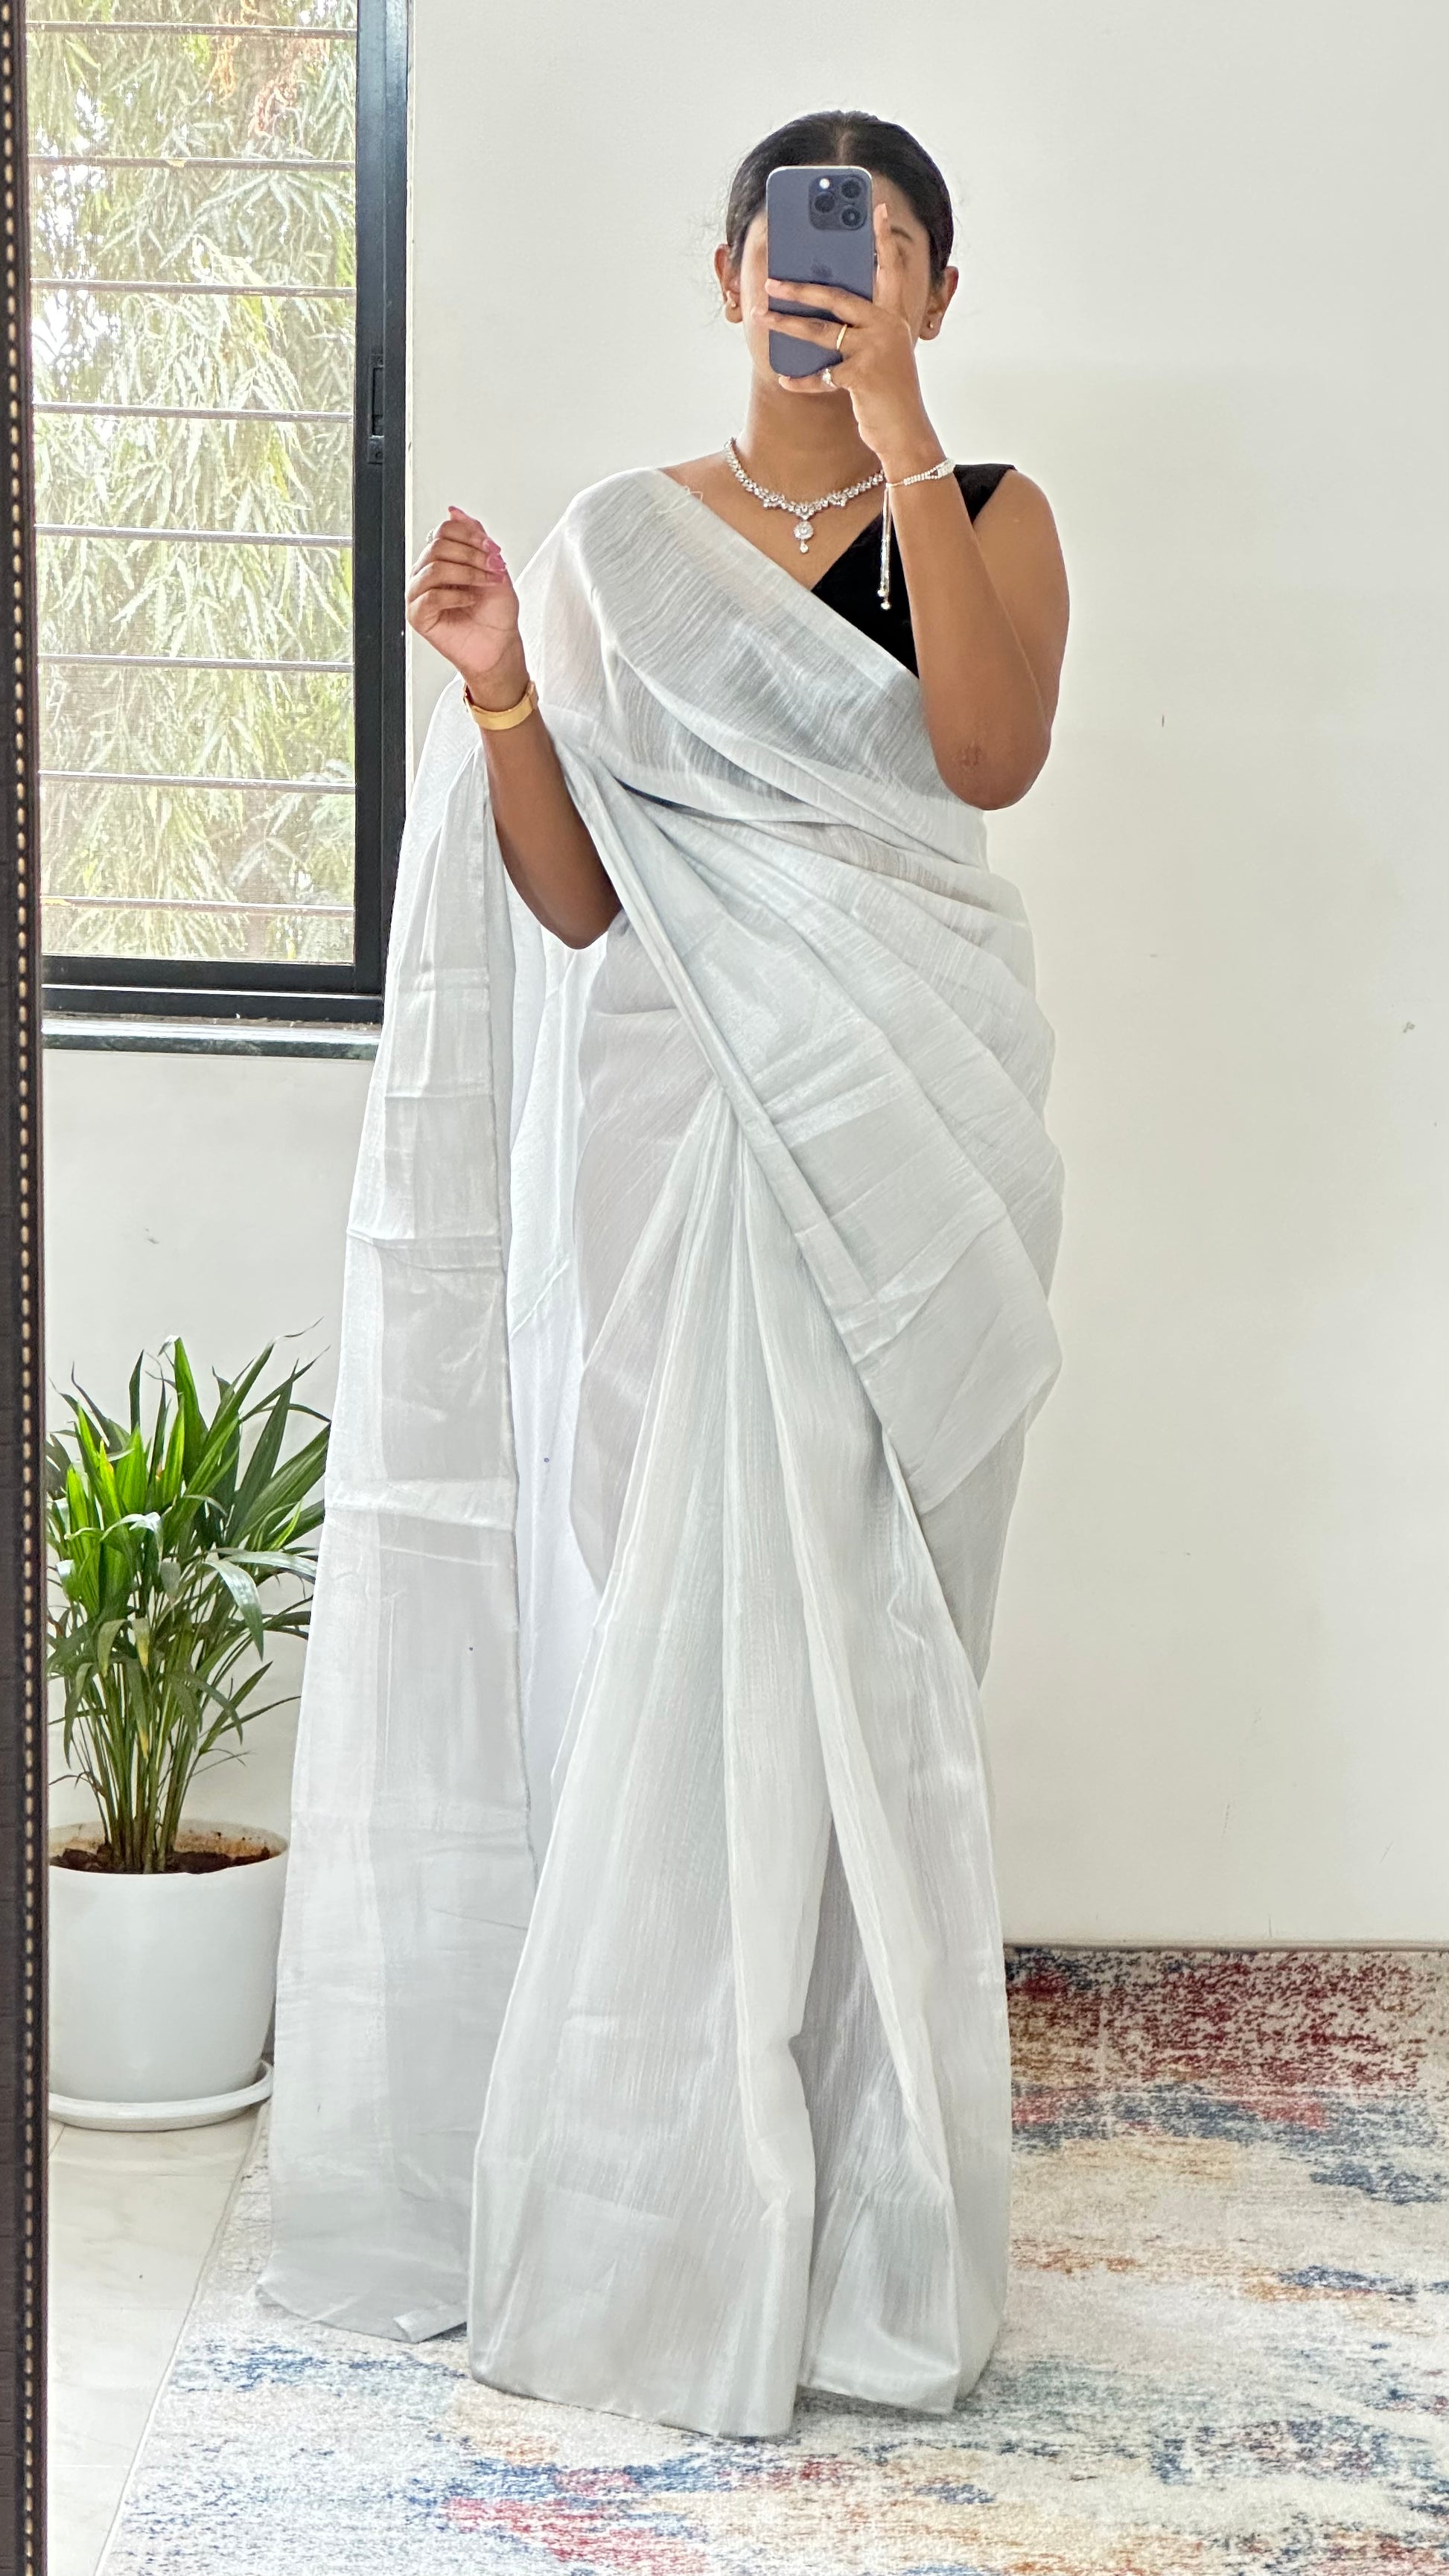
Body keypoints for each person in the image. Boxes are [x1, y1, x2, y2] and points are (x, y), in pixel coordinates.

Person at [261, 109, 1069, 2443]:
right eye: (799, 246)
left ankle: (850, 2207)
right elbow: (585, 901)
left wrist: (897, 436)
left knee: (865, 1676)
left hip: (900, 1156)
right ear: (724, 273)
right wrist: (503, 685)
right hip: (674, 1153)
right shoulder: (620, 544)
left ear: (932, 291)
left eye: (879, 251)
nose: (828, 280)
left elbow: (986, 755)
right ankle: (654, 2197)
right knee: (665, 1646)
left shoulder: (988, 512)